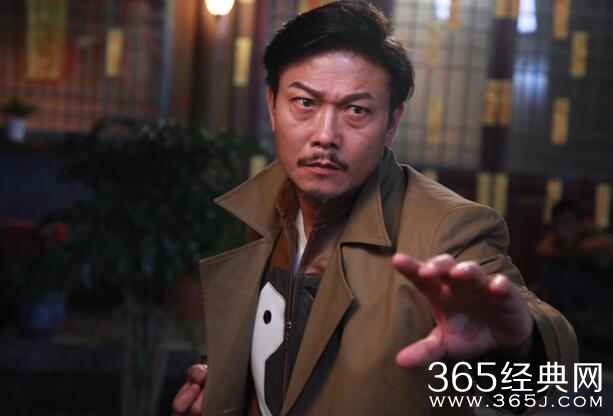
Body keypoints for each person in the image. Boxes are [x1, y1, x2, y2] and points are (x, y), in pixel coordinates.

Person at [173, 2, 577, 415]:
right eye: (305, 103)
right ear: (273, 105)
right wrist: (229, 386)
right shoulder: (258, 211)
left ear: (391, 124)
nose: (325, 135)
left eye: (356, 110)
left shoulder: (448, 229)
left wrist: (517, 347)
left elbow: (555, 383)